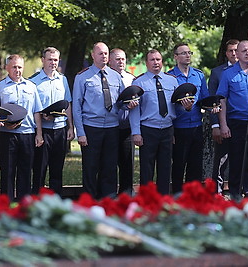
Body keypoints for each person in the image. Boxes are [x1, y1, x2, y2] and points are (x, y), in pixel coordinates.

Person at [129, 49, 193, 195]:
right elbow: (134, 110)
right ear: (146, 63)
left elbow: (178, 106)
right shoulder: (139, 82)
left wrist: (187, 108)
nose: (156, 62)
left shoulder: (172, 80)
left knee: (165, 168)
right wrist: (136, 132)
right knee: (147, 168)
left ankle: (163, 200)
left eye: (158, 59)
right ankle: (146, 199)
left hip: (167, 129)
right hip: (148, 129)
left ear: (162, 62)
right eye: (152, 60)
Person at [73, 42, 125, 199]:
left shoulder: (116, 76)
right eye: (100, 53)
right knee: (90, 168)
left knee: (109, 168)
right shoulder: (83, 77)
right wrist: (80, 133)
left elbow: (122, 101)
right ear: (93, 55)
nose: (104, 56)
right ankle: (89, 202)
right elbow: (76, 106)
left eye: (106, 53)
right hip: (91, 128)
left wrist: (130, 104)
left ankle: (108, 201)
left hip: (112, 128)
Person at [0, 54, 44, 201]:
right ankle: (6, 205)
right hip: (7, 135)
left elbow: (36, 111)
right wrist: (0, 122)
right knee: (7, 172)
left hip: (27, 134)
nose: (17, 70)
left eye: (20, 67)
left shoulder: (31, 87)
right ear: (7, 68)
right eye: (14, 67)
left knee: (25, 172)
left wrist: (39, 133)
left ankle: (24, 206)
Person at [29, 47, 74, 196]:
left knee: (57, 169)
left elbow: (67, 103)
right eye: (50, 59)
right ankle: (37, 199)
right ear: (43, 60)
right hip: (43, 131)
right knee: (39, 169)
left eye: (55, 60)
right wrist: (42, 117)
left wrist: (70, 127)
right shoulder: (33, 82)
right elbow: (32, 108)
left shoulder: (63, 79)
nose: (53, 63)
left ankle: (56, 201)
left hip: (60, 129)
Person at [167, 43, 209, 194]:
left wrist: (213, 106)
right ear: (176, 57)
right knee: (178, 165)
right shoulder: (170, 77)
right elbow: (168, 104)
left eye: (189, 52)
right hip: (178, 128)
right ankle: (178, 197)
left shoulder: (198, 75)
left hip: (196, 126)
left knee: (195, 166)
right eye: (183, 53)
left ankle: (194, 197)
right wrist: (183, 108)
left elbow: (205, 98)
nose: (187, 55)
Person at [217, 40, 248, 199]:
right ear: (237, 54)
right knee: (237, 159)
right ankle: (235, 194)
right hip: (237, 122)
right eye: (244, 50)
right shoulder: (228, 73)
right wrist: (223, 124)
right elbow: (222, 99)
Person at [208, 39, 239, 193]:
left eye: (236, 50)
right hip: (223, 122)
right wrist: (216, 125)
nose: (234, 53)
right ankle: (217, 193)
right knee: (221, 160)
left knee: (241, 159)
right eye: (230, 51)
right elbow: (213, 100)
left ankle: (239, 192)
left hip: (242, 122)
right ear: (226, 53)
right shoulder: (217, 72)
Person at [109, 48, 136, 195]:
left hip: (127, 128)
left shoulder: (131, 79)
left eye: (123, 59)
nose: (121, 62)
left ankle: (126, 195)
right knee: (109, 164)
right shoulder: (105, 77)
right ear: (110, 61)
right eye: (118, 59)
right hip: (110, 127)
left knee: (127, 165)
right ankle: (109, 196)